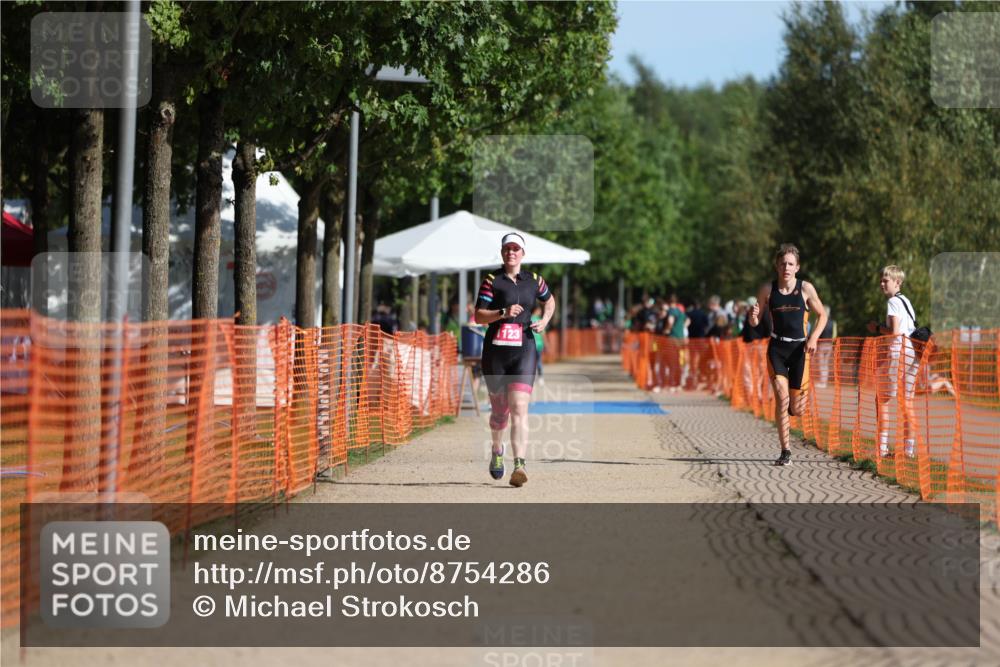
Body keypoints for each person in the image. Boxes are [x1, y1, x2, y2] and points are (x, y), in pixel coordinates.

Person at [474, 232, 555, 487]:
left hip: (524, 350)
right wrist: (502, 312)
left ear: (523, 253)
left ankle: (520, 465)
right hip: (496, 353)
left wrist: (545, 320)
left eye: (516, 249)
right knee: (500, 413)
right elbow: (478, 316)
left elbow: (550, 301)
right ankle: (497, 450)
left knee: (519, 407)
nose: (511, 252)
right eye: (507, 249)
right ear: (502, 253)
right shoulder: (492, 281)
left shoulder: (535, 280)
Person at [749, 243, 828, 466]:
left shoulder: (806, 288)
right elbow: (755, 322)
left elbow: (822, 316)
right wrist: (753, 318)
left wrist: (813, 338)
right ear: (777, 265)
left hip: (800, 350)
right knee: (782, 398)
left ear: (797, 267)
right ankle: (786, 451)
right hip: (777, 349)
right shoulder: (767, 289)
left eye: (790, 264)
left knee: (797, 409)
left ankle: (792, 408)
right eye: (783, 263)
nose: (786, 267)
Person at [865, 265, 920, 459]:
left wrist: (877, 327)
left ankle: (882, 448)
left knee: (882, 399)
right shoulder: (907, 302)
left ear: (897, 282)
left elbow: (895, 332)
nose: (882, 284)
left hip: (898, 353)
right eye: (881, 280)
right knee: (907, 402)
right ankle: (908, 450)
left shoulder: (893, 302)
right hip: (913, 353)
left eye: (885, 280)